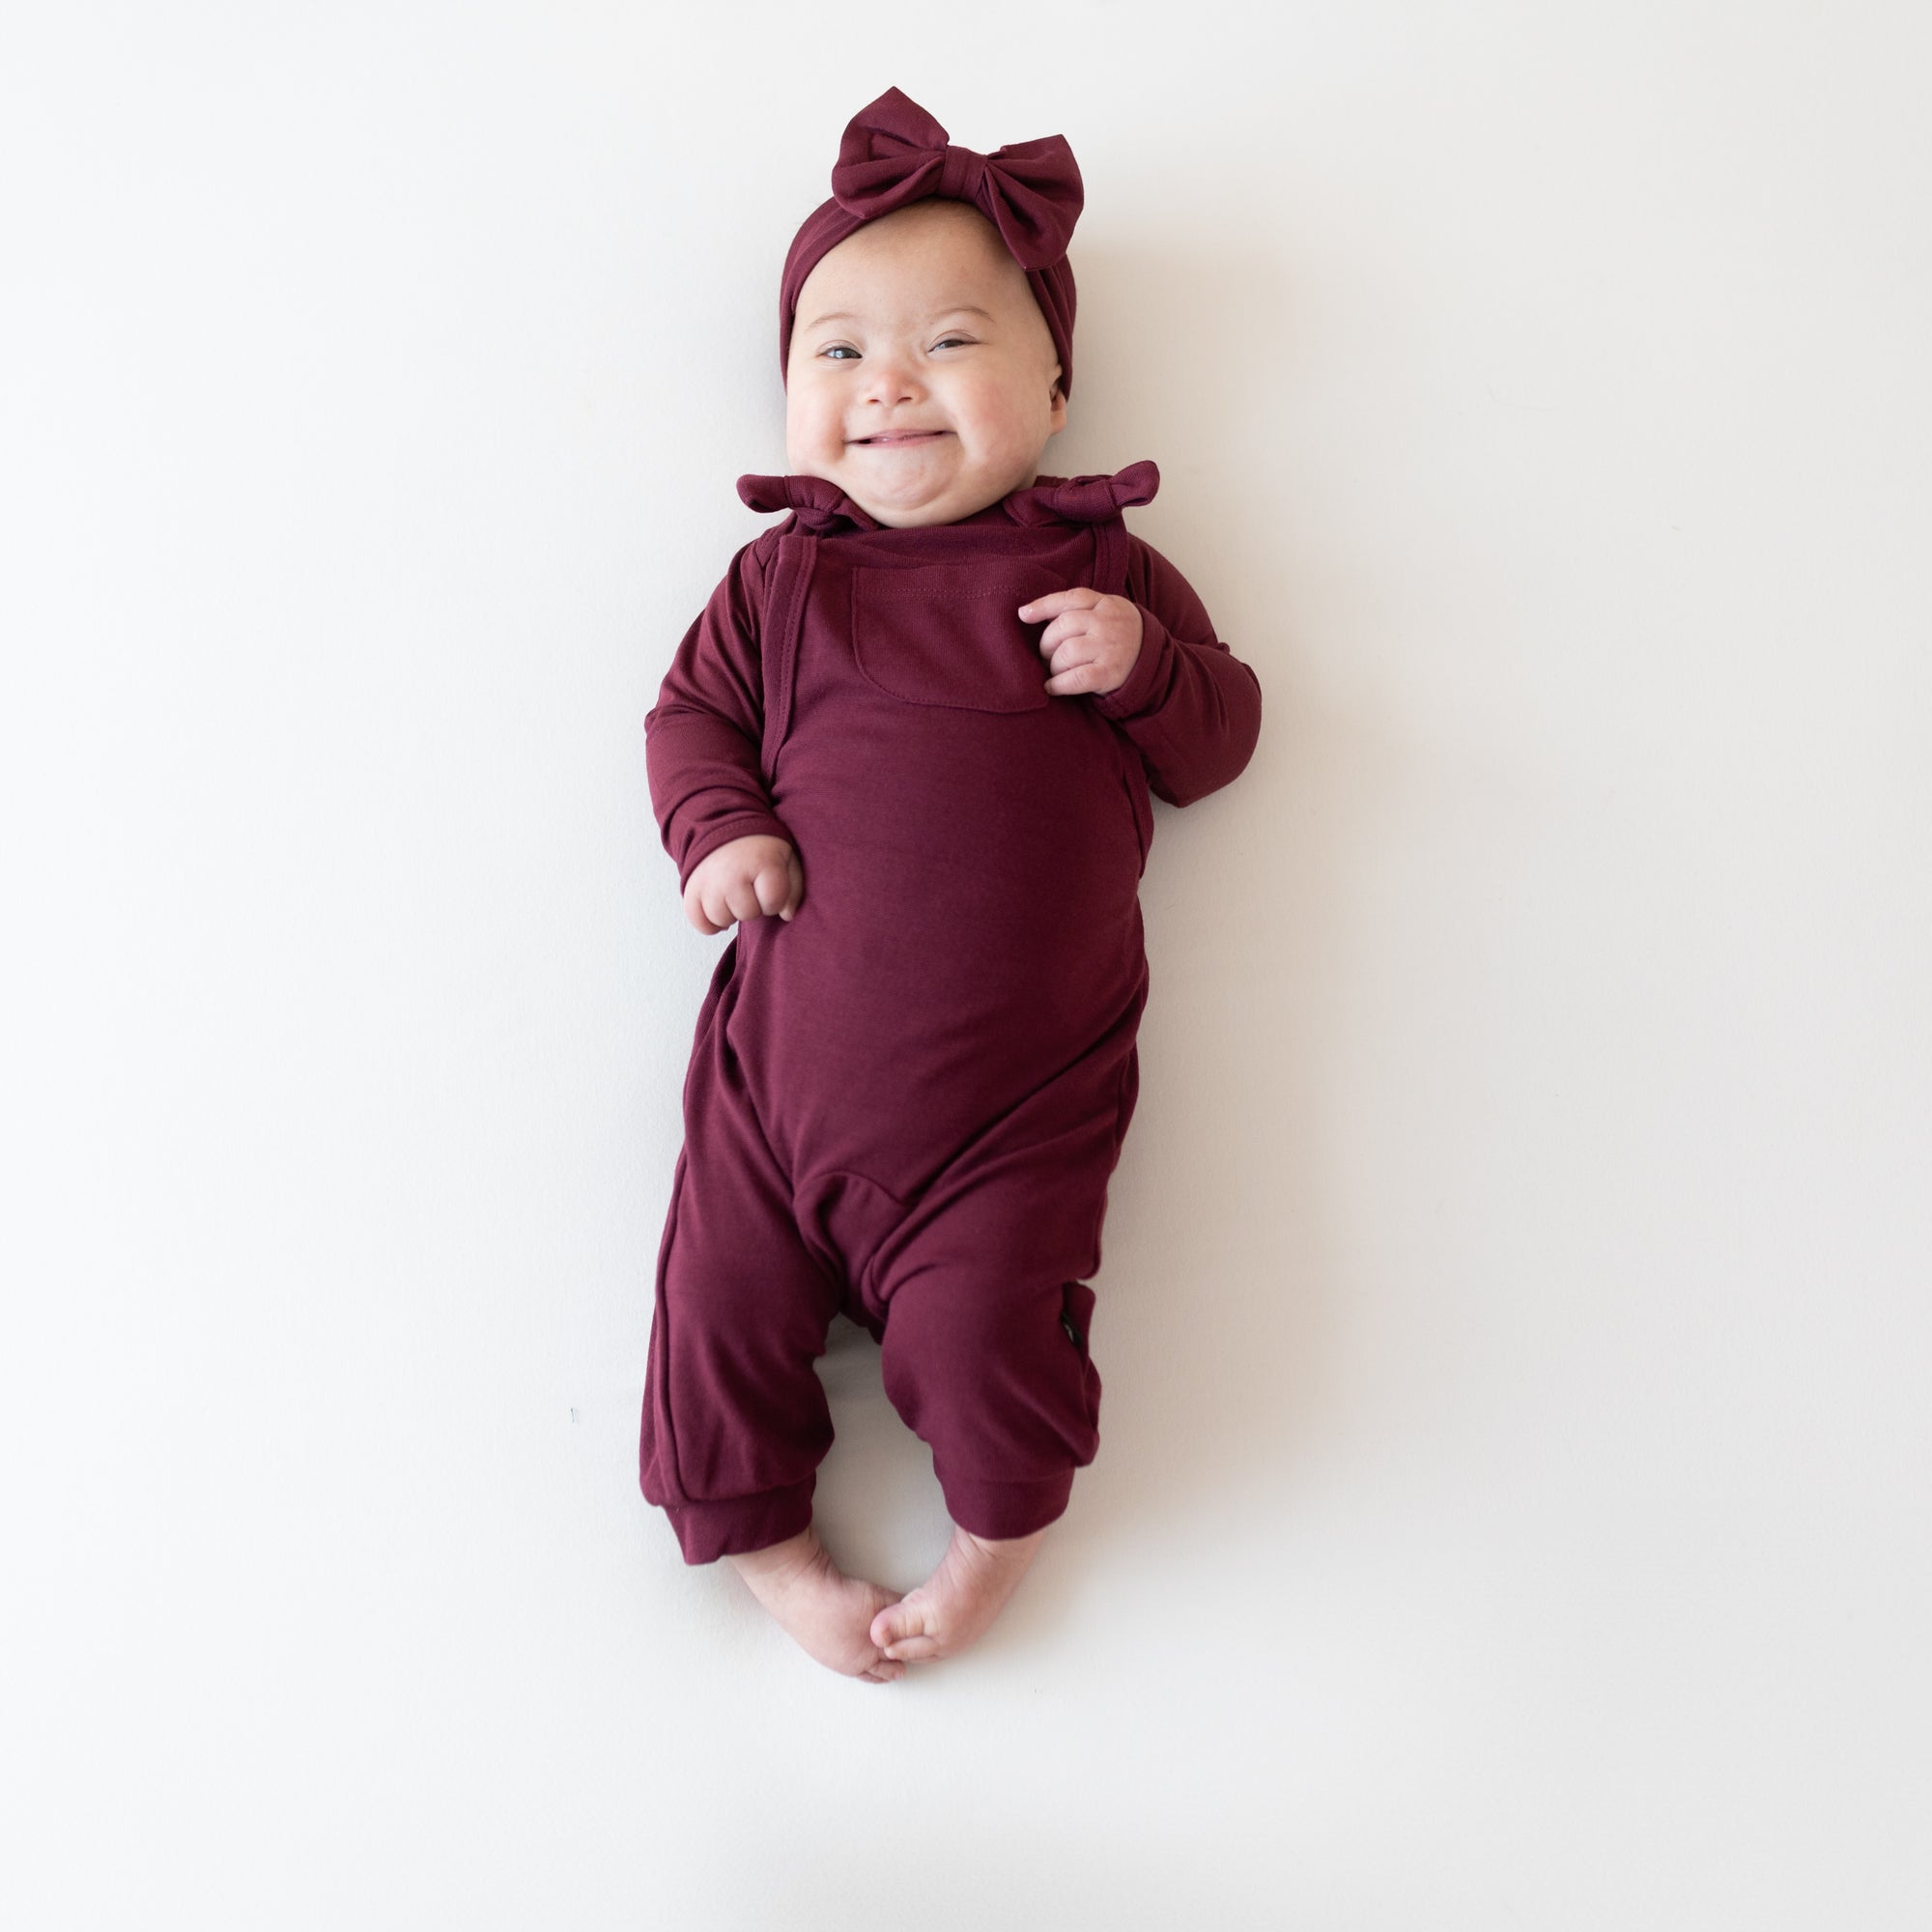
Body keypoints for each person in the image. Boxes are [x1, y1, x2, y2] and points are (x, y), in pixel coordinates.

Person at [639, 86, 1264, 1682]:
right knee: (714, 1305)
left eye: (953, 345)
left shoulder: (1101, 569)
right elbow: (687, 718)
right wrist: (721, 830)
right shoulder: (778, 584)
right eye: (836, 351)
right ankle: (769, 1552)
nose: (889, 384)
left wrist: (1144, 669)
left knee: (990, 1333)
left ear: (1056, 384)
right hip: (781, 1092)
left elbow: (1219, 741)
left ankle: (995, 1538)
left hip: (1011, 1116)